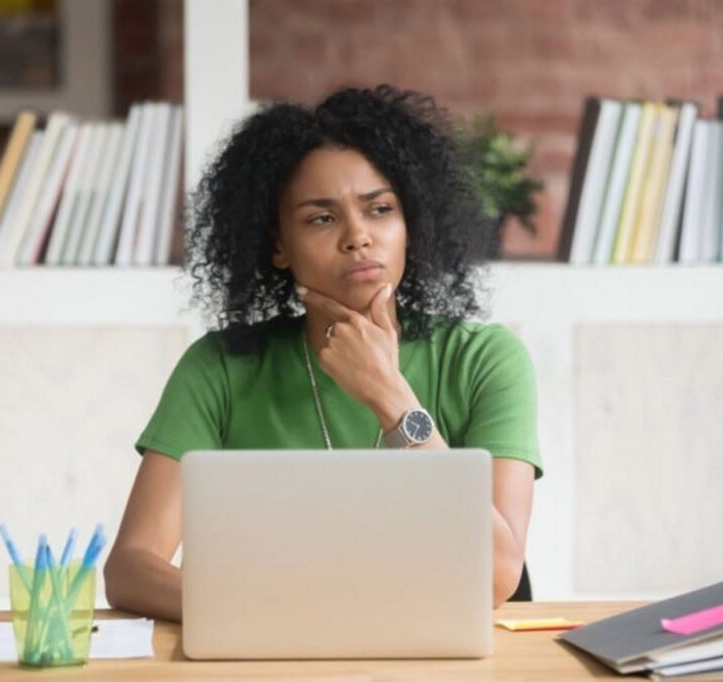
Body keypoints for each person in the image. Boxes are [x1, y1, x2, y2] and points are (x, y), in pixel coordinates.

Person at [104, 84, 543, 622]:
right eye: (321, 218)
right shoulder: (220, 367)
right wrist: (267, 616)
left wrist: (390, 397)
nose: (358, 237)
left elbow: (499, 575)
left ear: (412, 225)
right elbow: (130, 568)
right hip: (269, 658)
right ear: (277, 246)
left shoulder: (485, 360)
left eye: (380, 209)